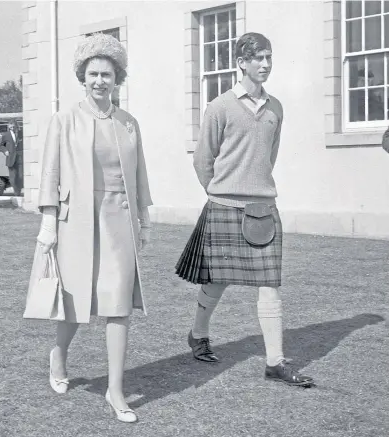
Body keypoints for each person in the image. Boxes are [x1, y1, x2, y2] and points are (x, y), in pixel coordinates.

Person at [175, 33, 314, 387]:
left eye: (269, 57)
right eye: (258, 58)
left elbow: (270, 157)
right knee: (217, 280)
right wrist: (221, 193)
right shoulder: (220, 106)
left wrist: (254, 190)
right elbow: (203, 161)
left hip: (263, 207)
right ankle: (198, 335)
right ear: (241, 62)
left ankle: (275, 363)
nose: (265, 64)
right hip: (223, 205)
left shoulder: (276, 108)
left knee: (270, 284)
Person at [30, 33, 153, 422]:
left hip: (118, 220)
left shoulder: (128, 123)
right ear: (82, 77)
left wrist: (144, 219)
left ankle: (115, 390)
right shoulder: (64, 120)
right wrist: (49, 223)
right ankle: (59, 357)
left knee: (118, 306)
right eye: (93, 73)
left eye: (108, 74)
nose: (100, 80)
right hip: (75, 222)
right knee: (74, 303)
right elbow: (50, 172)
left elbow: (139, 174)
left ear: (119, 79)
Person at [0, 119, 23, 196]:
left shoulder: (21, 133)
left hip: (20, 158)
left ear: (16, 126)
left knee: (20, 176)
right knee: (12, 178)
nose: (12, 129)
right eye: (11, 127)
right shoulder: (5, 135)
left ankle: (18, 190)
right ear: (9, 127)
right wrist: (5, 151)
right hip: (10, 158)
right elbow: (0, 145)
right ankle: (16, 192)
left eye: (14, 127)